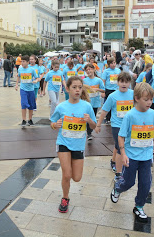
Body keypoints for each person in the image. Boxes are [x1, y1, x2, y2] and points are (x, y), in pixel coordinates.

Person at [110, 82, 154, 223]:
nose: (149, 102)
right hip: (131, 156)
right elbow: (121, 135)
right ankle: (118, 188)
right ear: (136, 98)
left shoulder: (153, 114)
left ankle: (139, 206)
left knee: (145, 183)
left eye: (151, 99)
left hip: (146, 155)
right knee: (128, 182)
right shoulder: (130, 115)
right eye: (146, 99)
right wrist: (123, 154)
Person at [50, 76, 97, 213]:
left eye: (79, 87)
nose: (77, 90)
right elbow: (52, 123)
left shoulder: (87, 106)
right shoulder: (61, 106)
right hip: (63, 143)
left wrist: (89, 121)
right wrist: (55, 125)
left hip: (78, 145)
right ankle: (65, 198)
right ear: (67, 89)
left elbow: (94, 126)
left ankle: (69, 173)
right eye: (74, 87)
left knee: (76, 178)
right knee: (66, 174)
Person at [95, 72, 133, 178]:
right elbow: (104, 111)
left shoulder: (133, 94)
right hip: (117, 125)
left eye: (126, 82)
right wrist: (98, 124)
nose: (124, 84)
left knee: (120, 146)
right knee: (120, 146)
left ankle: (113, 160)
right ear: (118, 82)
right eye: (122, 82)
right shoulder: (112, 96)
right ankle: (118, 173)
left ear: (130, 83)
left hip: (130, 125)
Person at [15, 55, 39, 126]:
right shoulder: (20, 69)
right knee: (24, 104)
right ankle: (24, 120)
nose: (22, 63)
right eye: (21, 61)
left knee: (31, 105)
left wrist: (35, 81)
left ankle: (30, 119)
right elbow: (18, 77)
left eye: (24, 61)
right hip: (23, 89)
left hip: (31, 90)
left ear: (28, 62)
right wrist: (16, 85)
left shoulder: (32, 70)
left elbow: (37, 78)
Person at [83, 64, 105, 140]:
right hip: (87, 102)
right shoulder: (84, 80)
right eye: (87, 70)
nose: (88, 71)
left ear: (93, 70)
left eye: (90, 69)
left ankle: (90, 131)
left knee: (93, 118)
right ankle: (89, 133)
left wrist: (97, 89)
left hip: (96, 102)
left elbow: (103, 89)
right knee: (87, 117)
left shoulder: (98, 80)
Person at [101, 57, 121, 122]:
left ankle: (115, 117)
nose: (113, 64)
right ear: (109, 64)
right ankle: (108, 118)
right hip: (108, 89)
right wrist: (103, 91)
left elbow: (120, 79)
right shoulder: (106, 71)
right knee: (108, 104)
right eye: (112, 63)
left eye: (114, 63)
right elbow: (103, 81)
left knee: (116, 104)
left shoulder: (118, 70)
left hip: (117, 89)